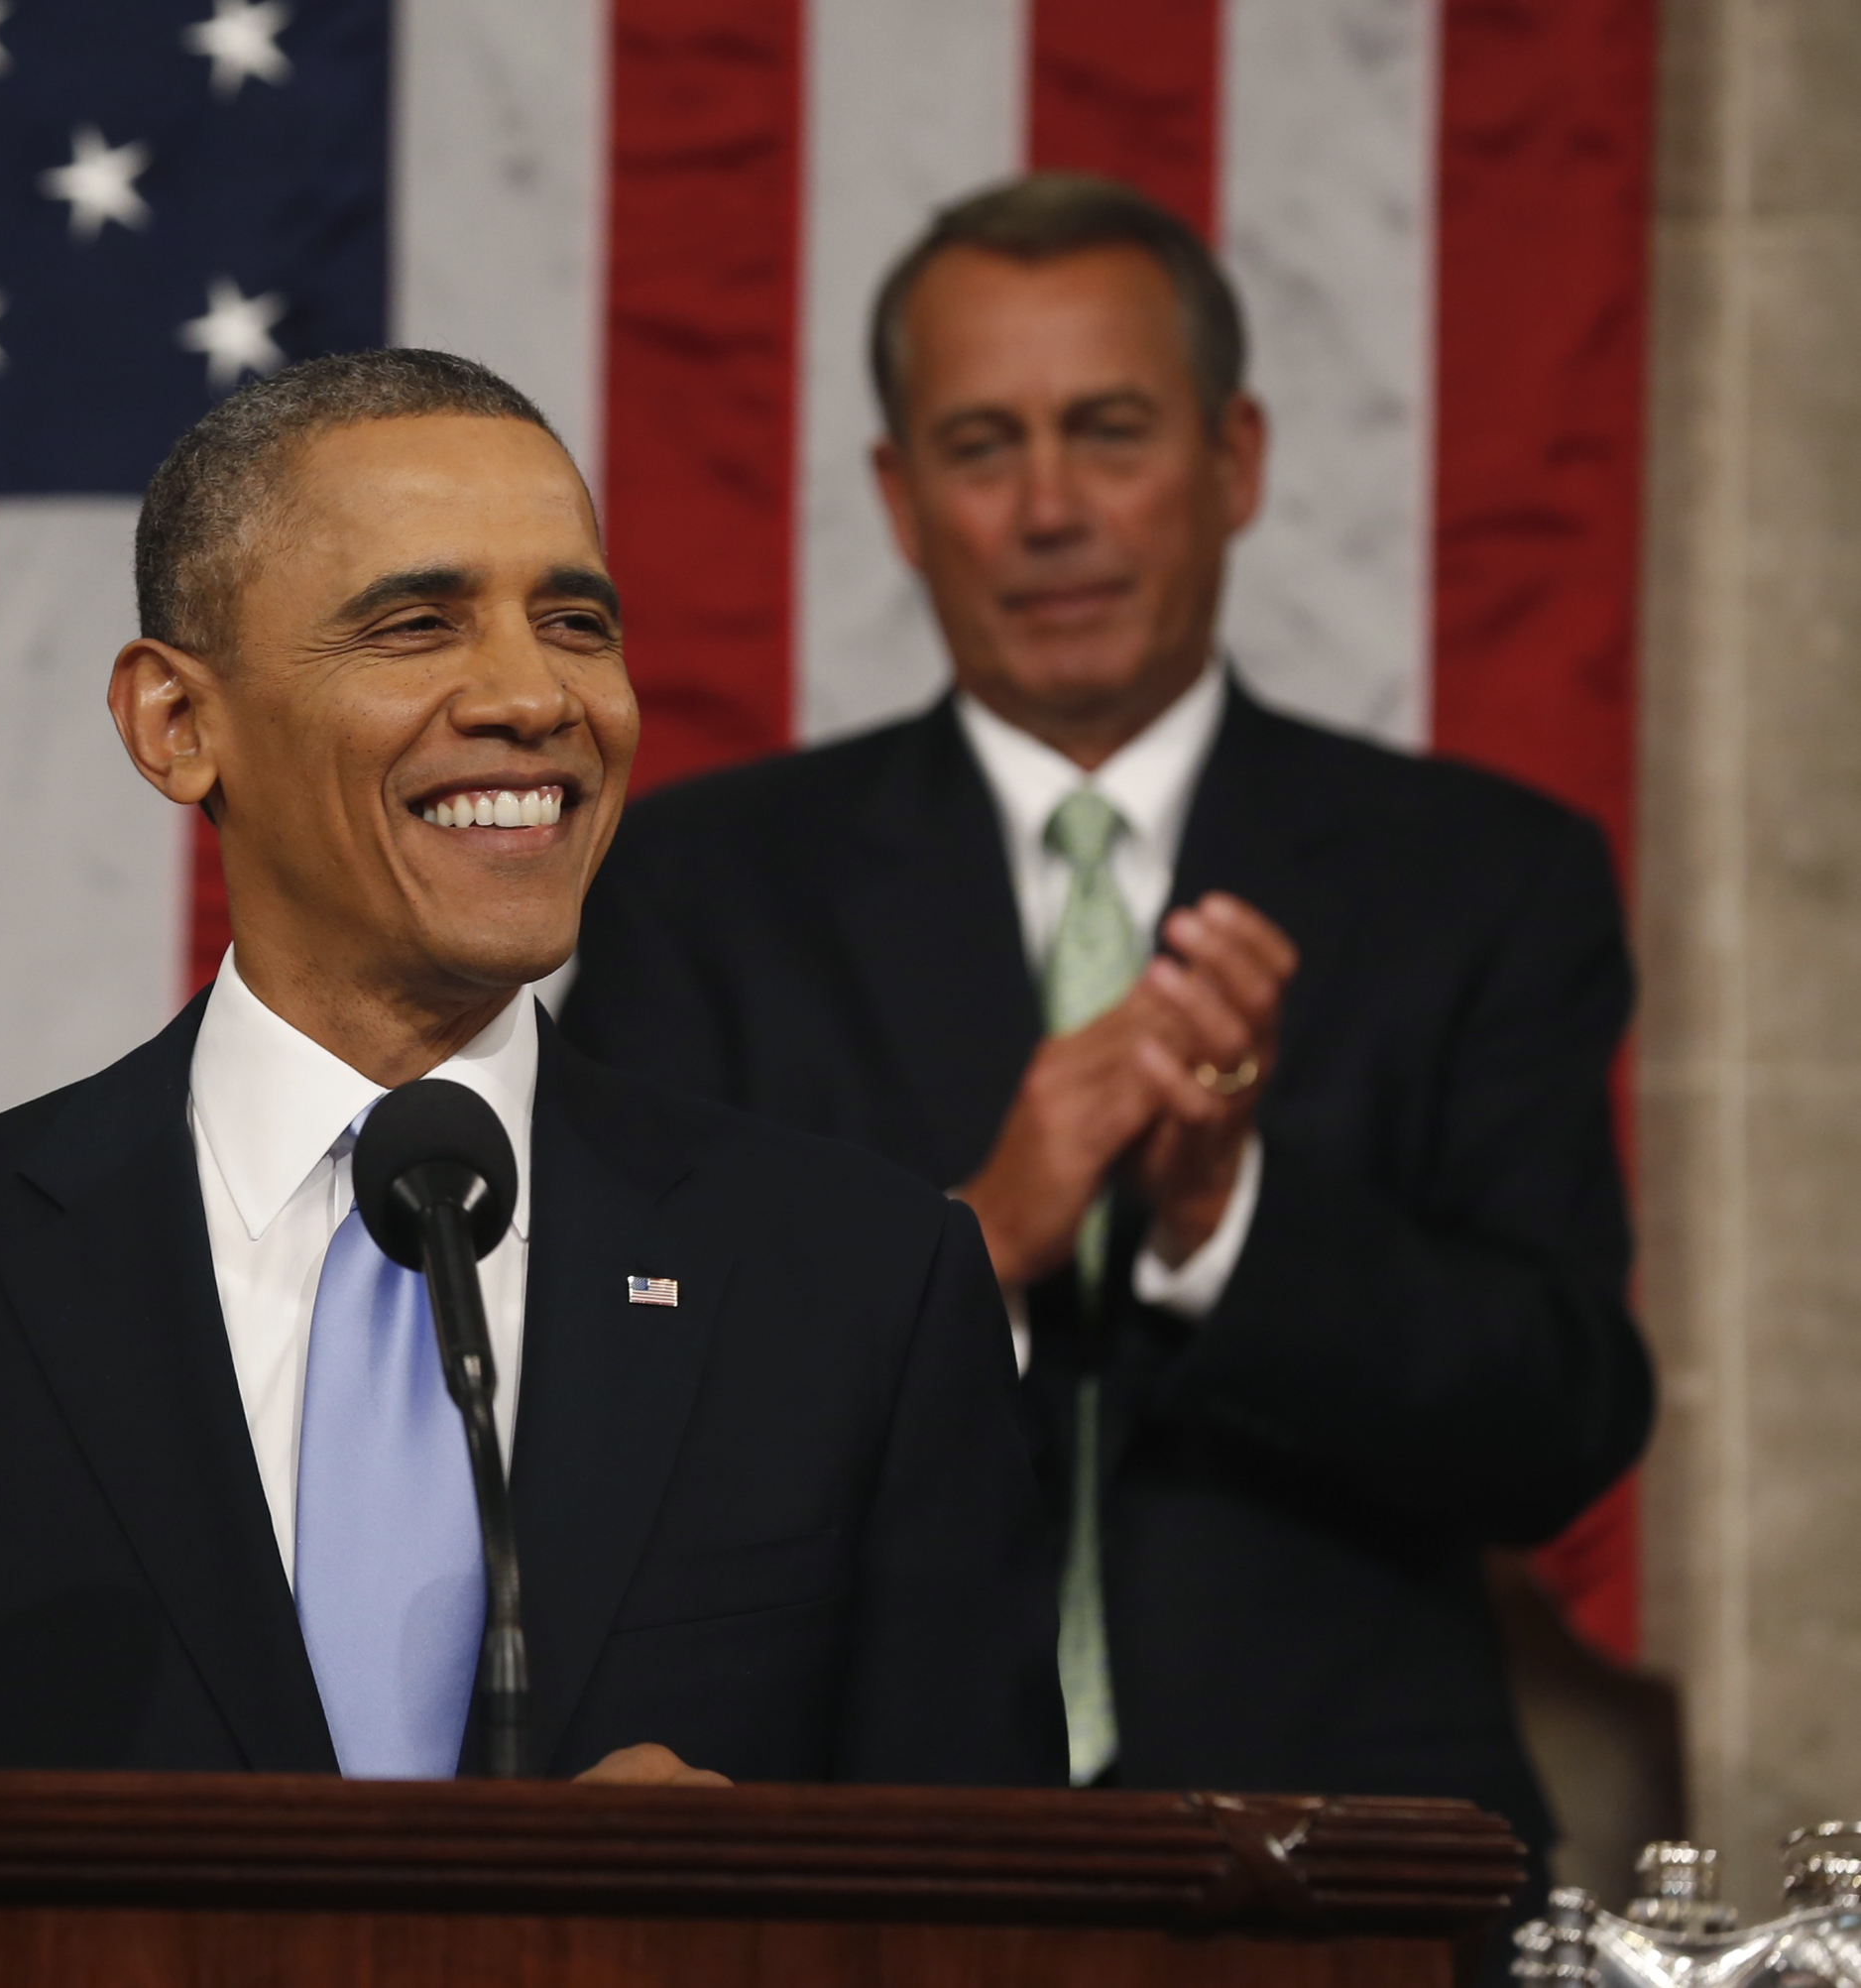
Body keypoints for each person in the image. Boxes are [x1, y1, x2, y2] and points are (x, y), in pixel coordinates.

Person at [0, 349, 1064, 1788]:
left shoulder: (862, 1293)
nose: (533, 695)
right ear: (176, 724)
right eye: (417, 625)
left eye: (575, 619)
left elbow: (1004, 1928)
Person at [562, 175, 1654, 1870]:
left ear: (1237, 462)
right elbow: (611, 1431)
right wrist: (973, 1244)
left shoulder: (1481, 877)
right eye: (984, 446)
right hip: (856, 1869)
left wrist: (1231, 1222)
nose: (1050, 507)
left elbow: (1565, 1424)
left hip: (1345, 1877)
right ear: (901, 500)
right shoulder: (701, 892)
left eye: (1113, 431)